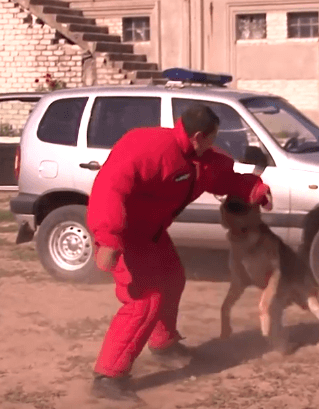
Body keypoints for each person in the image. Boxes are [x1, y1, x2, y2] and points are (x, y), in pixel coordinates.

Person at [86, 104, 273, 401]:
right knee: (146, 300)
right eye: (212, 138)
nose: (215, 143)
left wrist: (256, 190)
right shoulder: (144, 147)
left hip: (153, 233)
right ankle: (109, 376)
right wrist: (108, 238)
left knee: (173, 279)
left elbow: (226, 179)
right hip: (124, 235)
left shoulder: (201, 160)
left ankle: (163, 344)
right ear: (198, 136)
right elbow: (110, 187)